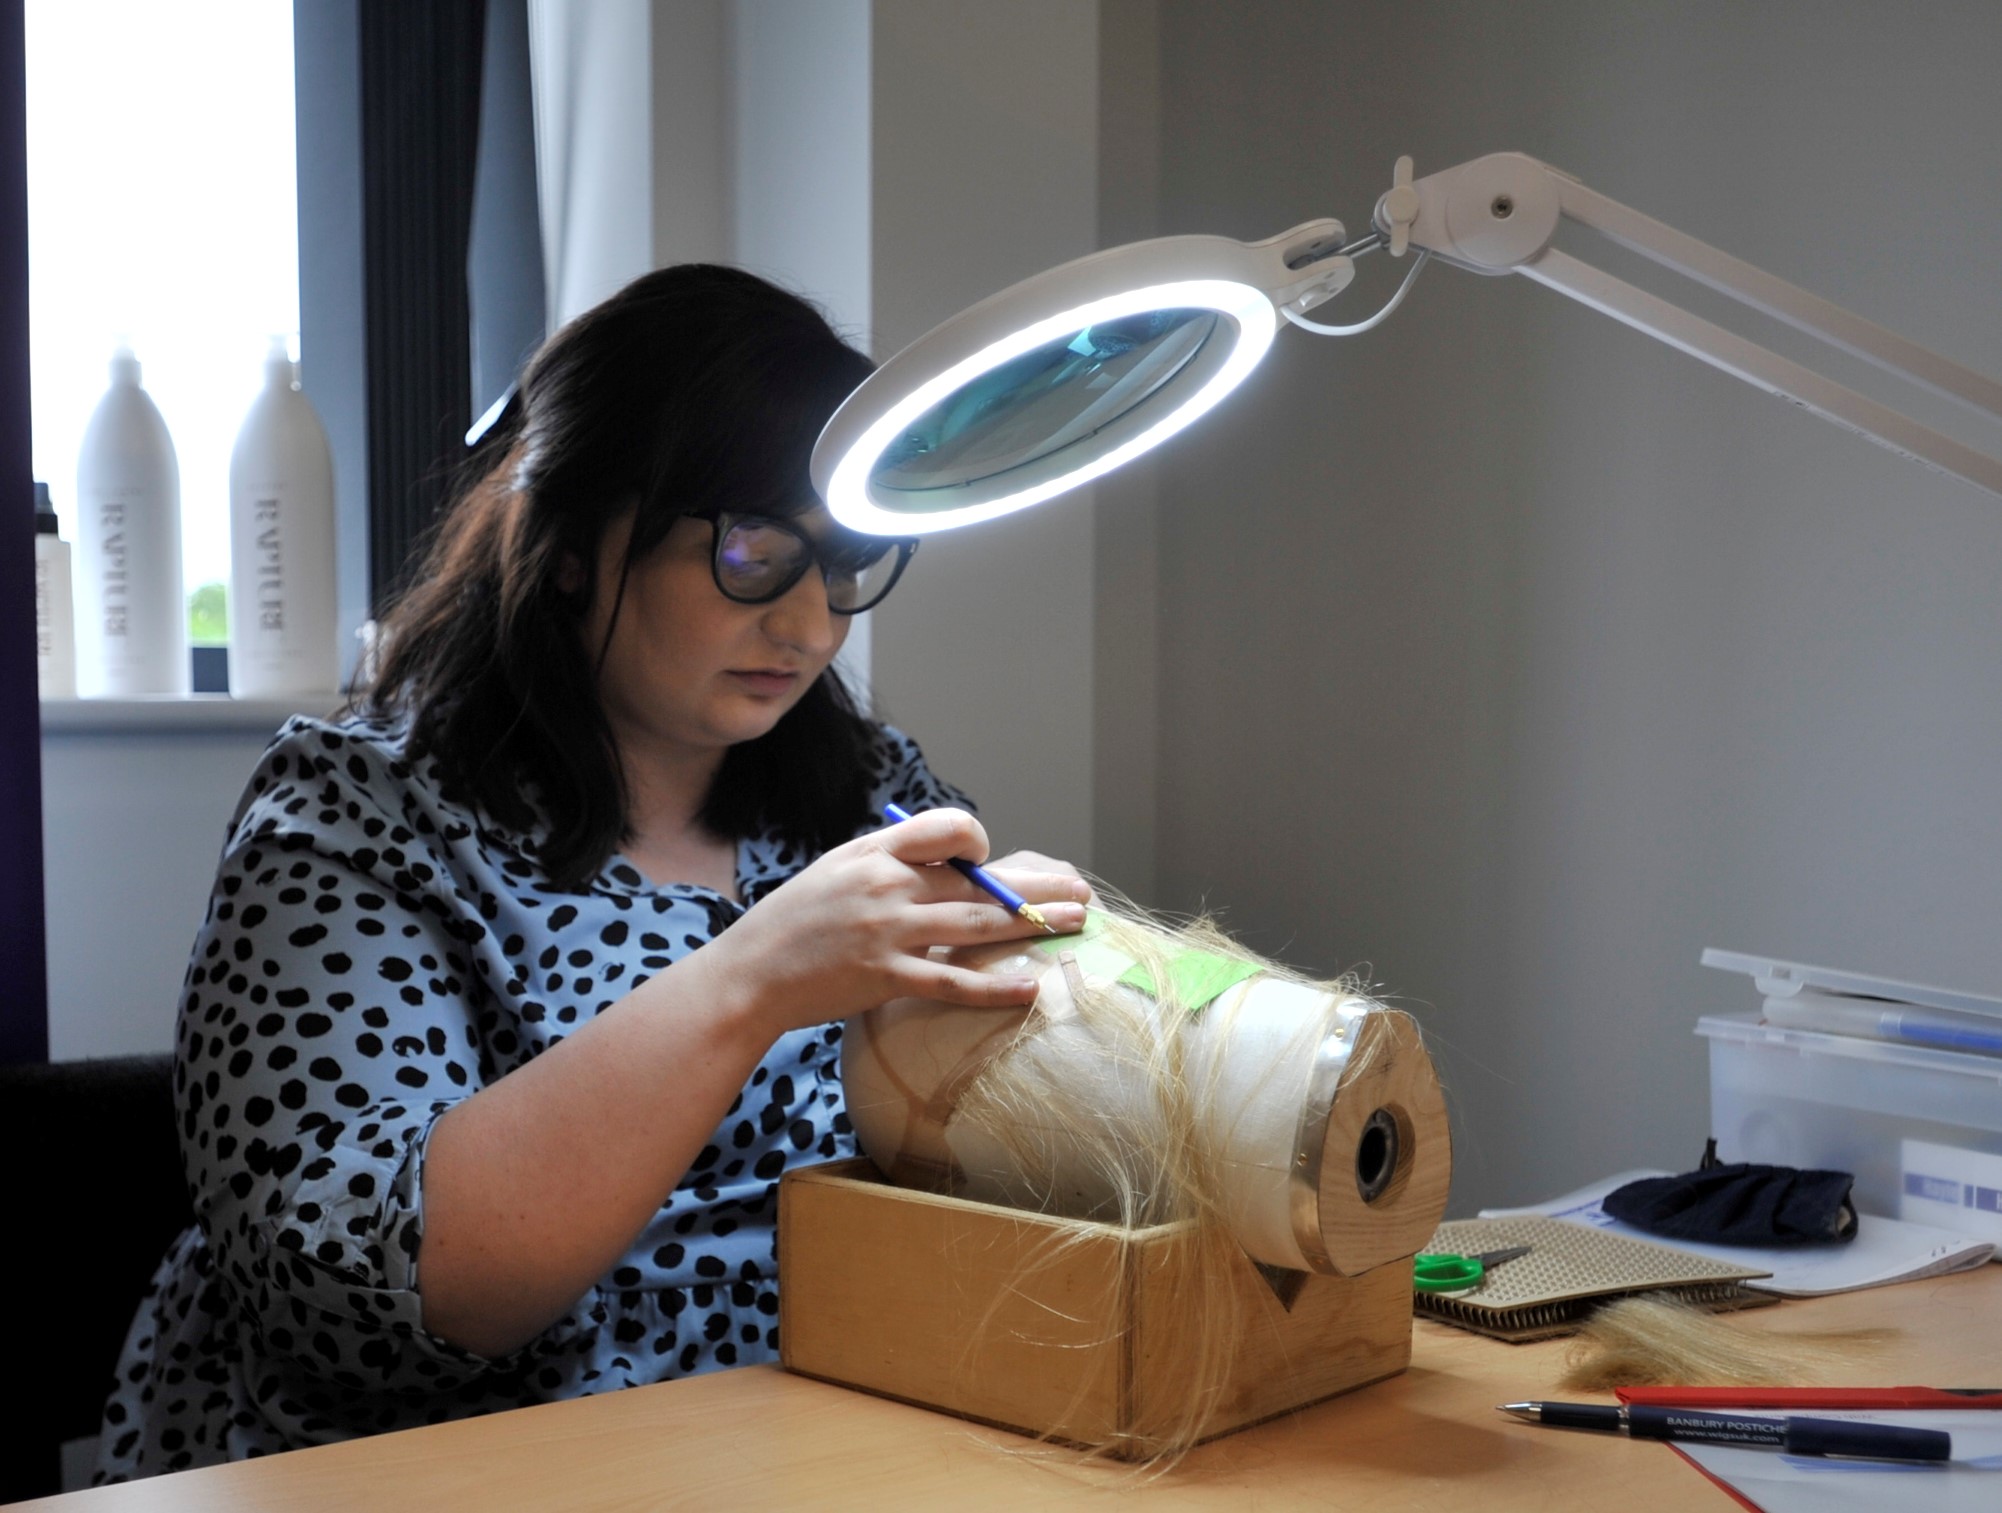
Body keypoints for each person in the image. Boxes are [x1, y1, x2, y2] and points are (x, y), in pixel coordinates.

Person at [95, 265, 1089, 1481]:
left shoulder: (862, 788)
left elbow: (993, 1137)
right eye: (751, 551)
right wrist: (754, 977)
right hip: (452, 1469)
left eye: (846, 561)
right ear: (572, 546)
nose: (815, 625)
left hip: (820, 1446)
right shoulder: (355, 817)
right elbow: (365, 1302)